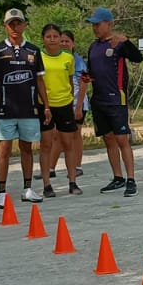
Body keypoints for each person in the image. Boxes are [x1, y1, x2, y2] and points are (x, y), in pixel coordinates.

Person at [0, 8, 51, 206]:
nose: (15, 27)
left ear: (24, 25)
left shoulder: (33, 50)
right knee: (4, 149)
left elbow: (40, 80)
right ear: (5, 26)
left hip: (29, 108)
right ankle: (2, 192)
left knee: (27, 148)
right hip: (5, 108)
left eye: (18, 23)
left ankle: (27, 189)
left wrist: (46, 106)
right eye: (11, 24)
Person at [82, 7, 143, 197]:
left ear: (109, 24)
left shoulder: (118, 44)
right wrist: (87, 77)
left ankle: (131, 179)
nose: (95, 28)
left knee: (122, 139)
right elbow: (92, 71)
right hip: (98, 99)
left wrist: (126, 41)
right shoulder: (93, 47)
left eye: (98, 24)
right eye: (93, 25)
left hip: (116, 98)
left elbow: (138, 58)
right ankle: (118, 177)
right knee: (108, 138)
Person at [38, 23, 85, 197]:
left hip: (65, 104)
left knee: (68, 144)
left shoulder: (68, 58)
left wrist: (72, 102)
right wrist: (45, 105)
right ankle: (47, 185)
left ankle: (73, 182)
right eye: (48, 37)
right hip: (45, 106)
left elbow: (71, 80)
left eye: (55, 36)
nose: (52, 40)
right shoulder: (38, 57)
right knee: (46, 145)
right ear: (43, 39)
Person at [58, 30, 88, 182]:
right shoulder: (57, 59)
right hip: (62, 103)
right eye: (61, 41)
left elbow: (84, 84)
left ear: (73, 43)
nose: (64, 44)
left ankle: (78, 166)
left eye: (67, 41)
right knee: (58, 136)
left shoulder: (79, 61)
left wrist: (78, 107)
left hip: (77, 104)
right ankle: (51, 168)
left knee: (76, 134)